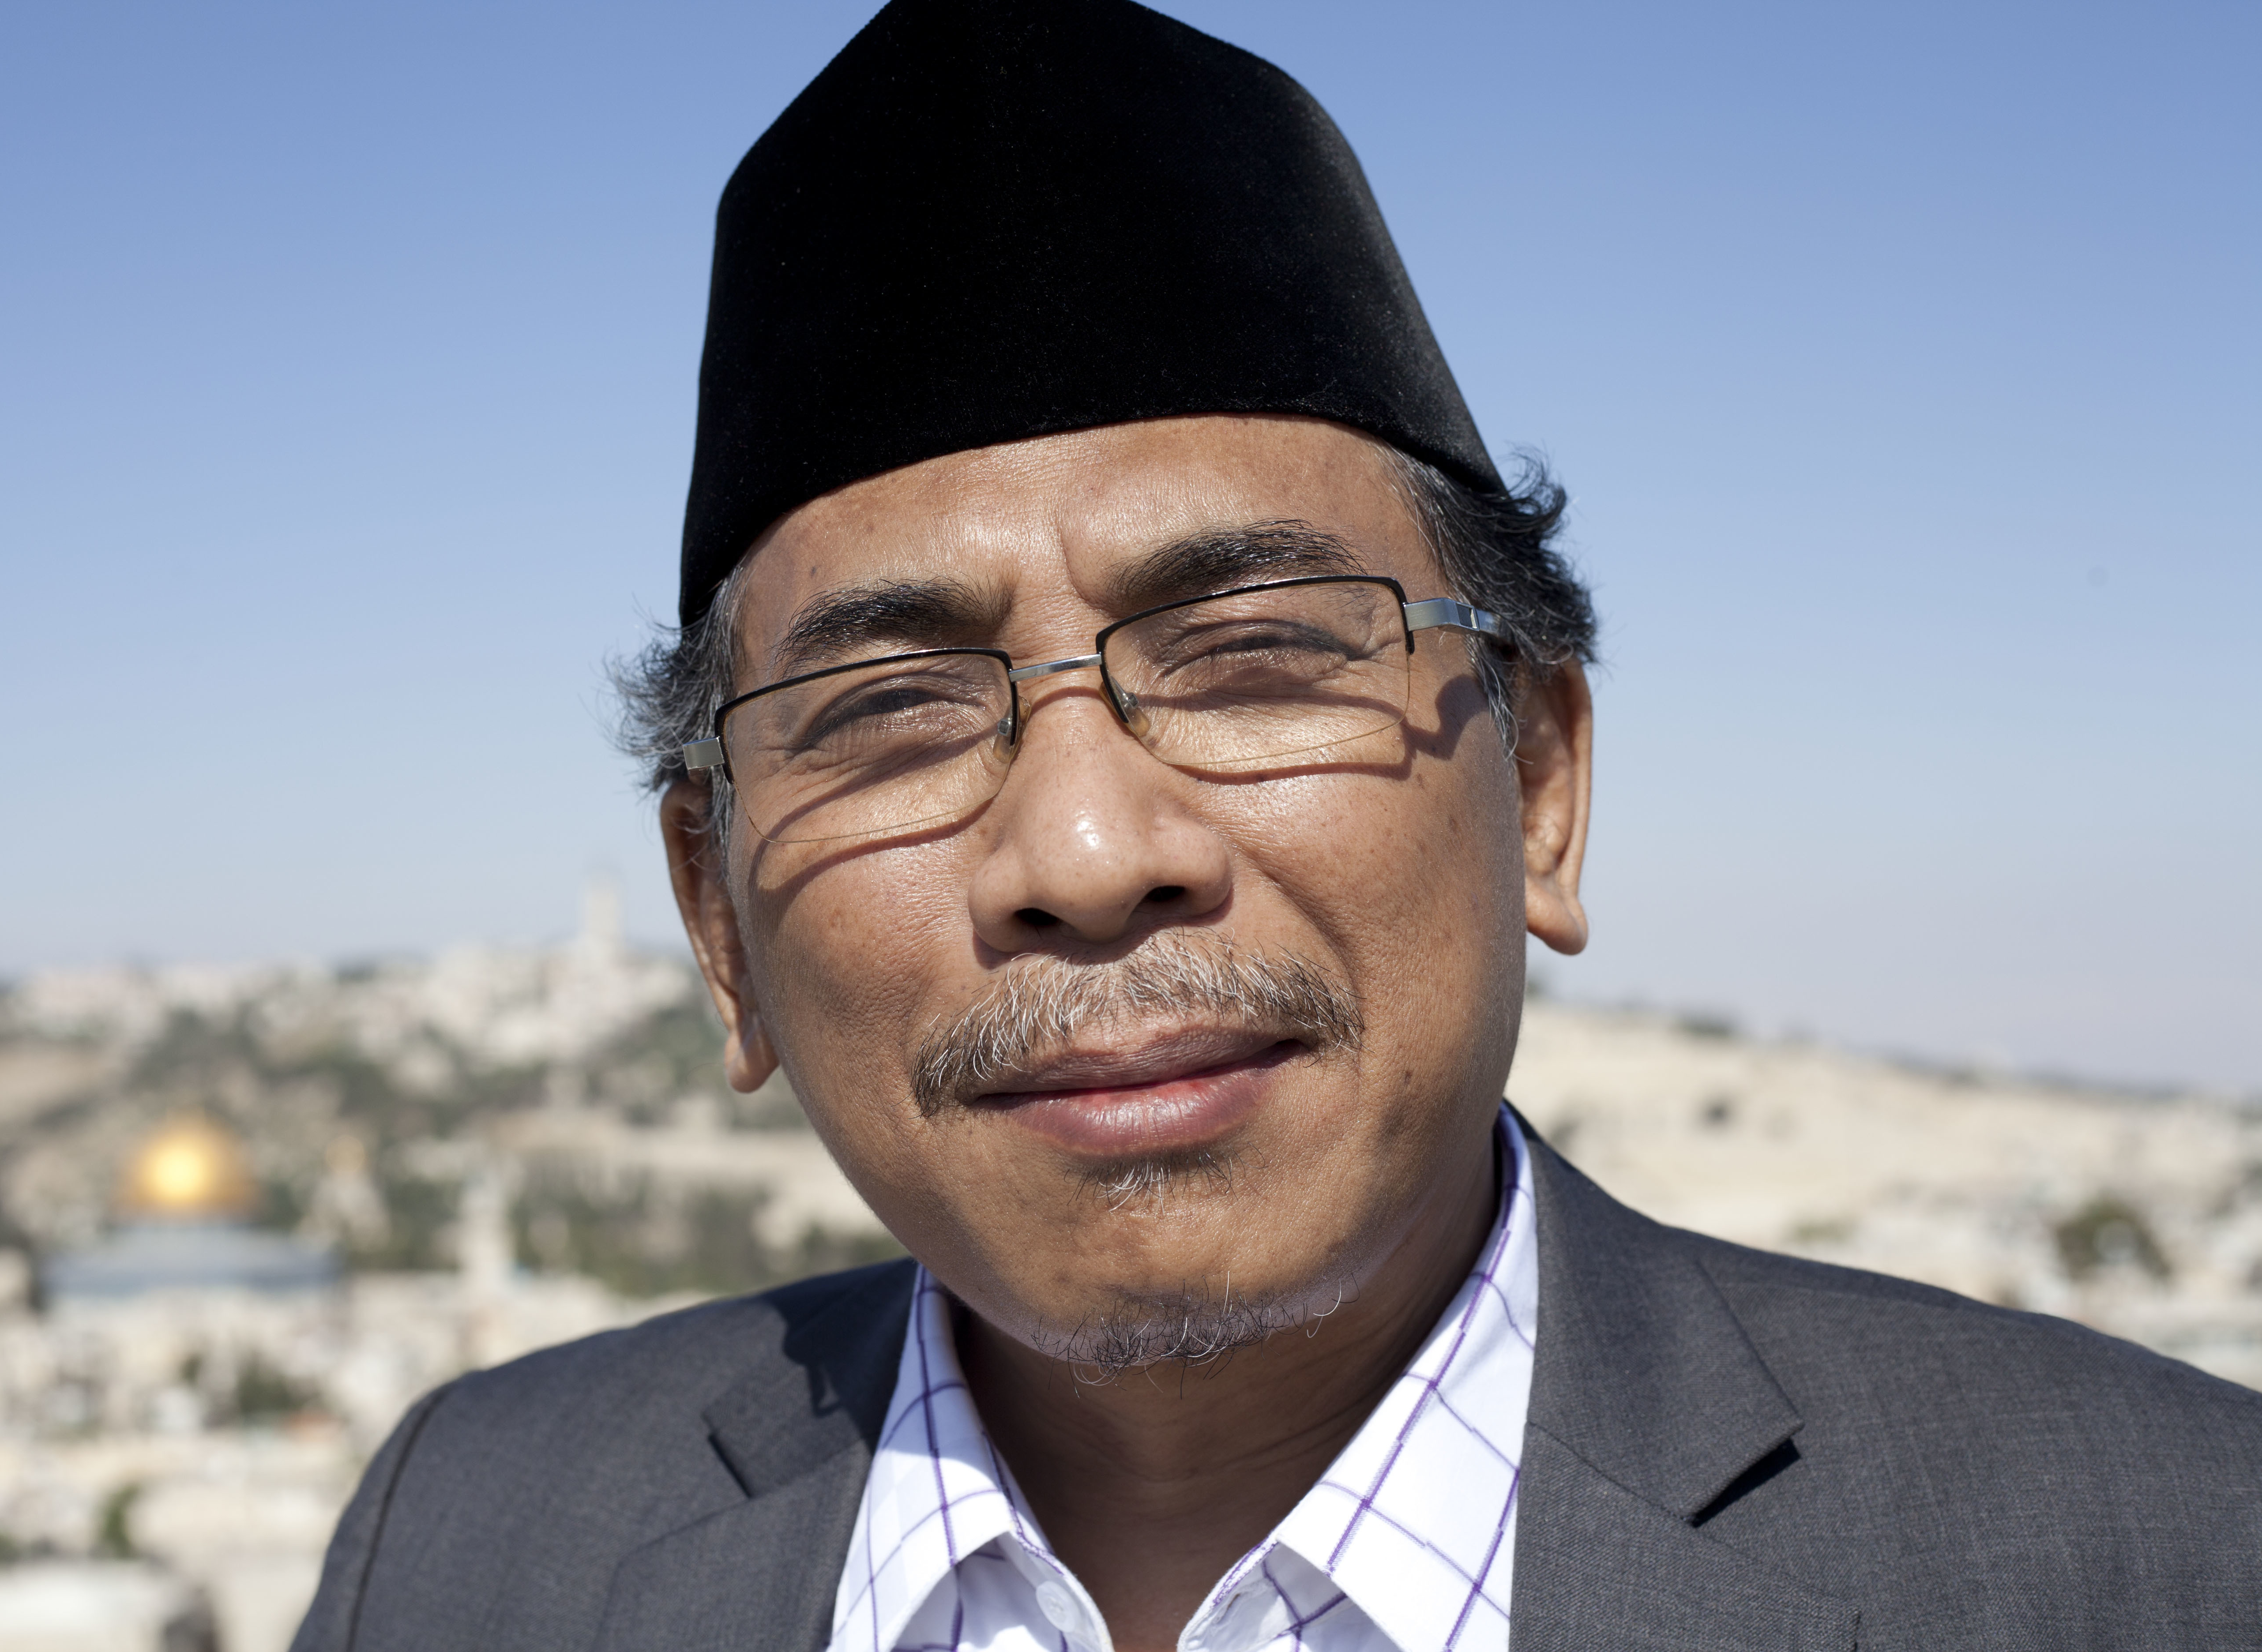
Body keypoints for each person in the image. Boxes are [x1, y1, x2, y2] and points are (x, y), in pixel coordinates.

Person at [292, 3, 2262, 1648]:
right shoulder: (474, 1550)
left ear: (1546, 785)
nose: (1083, 850)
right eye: (891, 712)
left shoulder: (2149, 1562)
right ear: (718, 928)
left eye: (1249, 659)